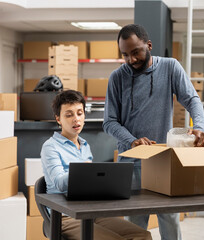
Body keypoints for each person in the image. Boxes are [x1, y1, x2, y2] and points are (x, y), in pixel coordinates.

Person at [103, 24, 204, 240]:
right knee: (135, 226)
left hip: (164, 161)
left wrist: (199, 127)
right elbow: (110, 122)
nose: (131, 60)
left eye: (136, 52)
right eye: (125, 55)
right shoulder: (117, 78)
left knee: (169, 220)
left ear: (148, 45)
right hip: (131, 162)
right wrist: (132, 141)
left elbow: (192, 100)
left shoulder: (170, 67)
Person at [41, 90, 152, 240]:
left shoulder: (85, 145)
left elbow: (89, 186)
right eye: (69, 115)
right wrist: (82, 172)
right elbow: (59, 184)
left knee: (143, 235)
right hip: (65, 216)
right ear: (58, 119)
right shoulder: (51, 147)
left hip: (90, 213)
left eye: (79, 113)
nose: (76, 119)